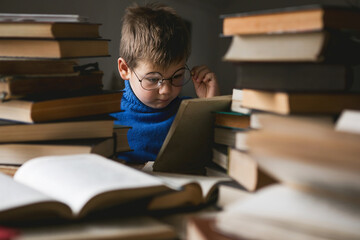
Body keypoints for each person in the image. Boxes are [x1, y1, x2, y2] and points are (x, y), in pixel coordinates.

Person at [111, 2, 220, 163]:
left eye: (177, 76)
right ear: (125, 69)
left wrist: (209, 105)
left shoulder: (189, 113)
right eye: (153, 79)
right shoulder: (106, 115)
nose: (166, 90)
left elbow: (215, 157)